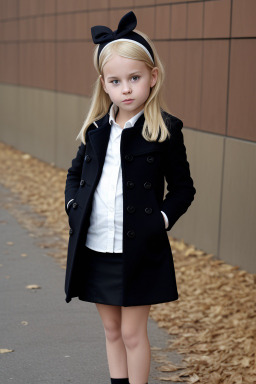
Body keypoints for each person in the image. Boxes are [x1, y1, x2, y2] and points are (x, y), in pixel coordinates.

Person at [64, 10, 196, 384]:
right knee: (111, 332)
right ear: (104, 85)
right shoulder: (94, 131)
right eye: (116, 81)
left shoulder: (164, 130)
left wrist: (161, 221)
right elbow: (76, 174)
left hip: (139, 249)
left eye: (134, 78)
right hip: (96, 245)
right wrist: (74, 206)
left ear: (152, 77)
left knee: (133, 333)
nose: (126, 89)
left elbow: (183, 189)